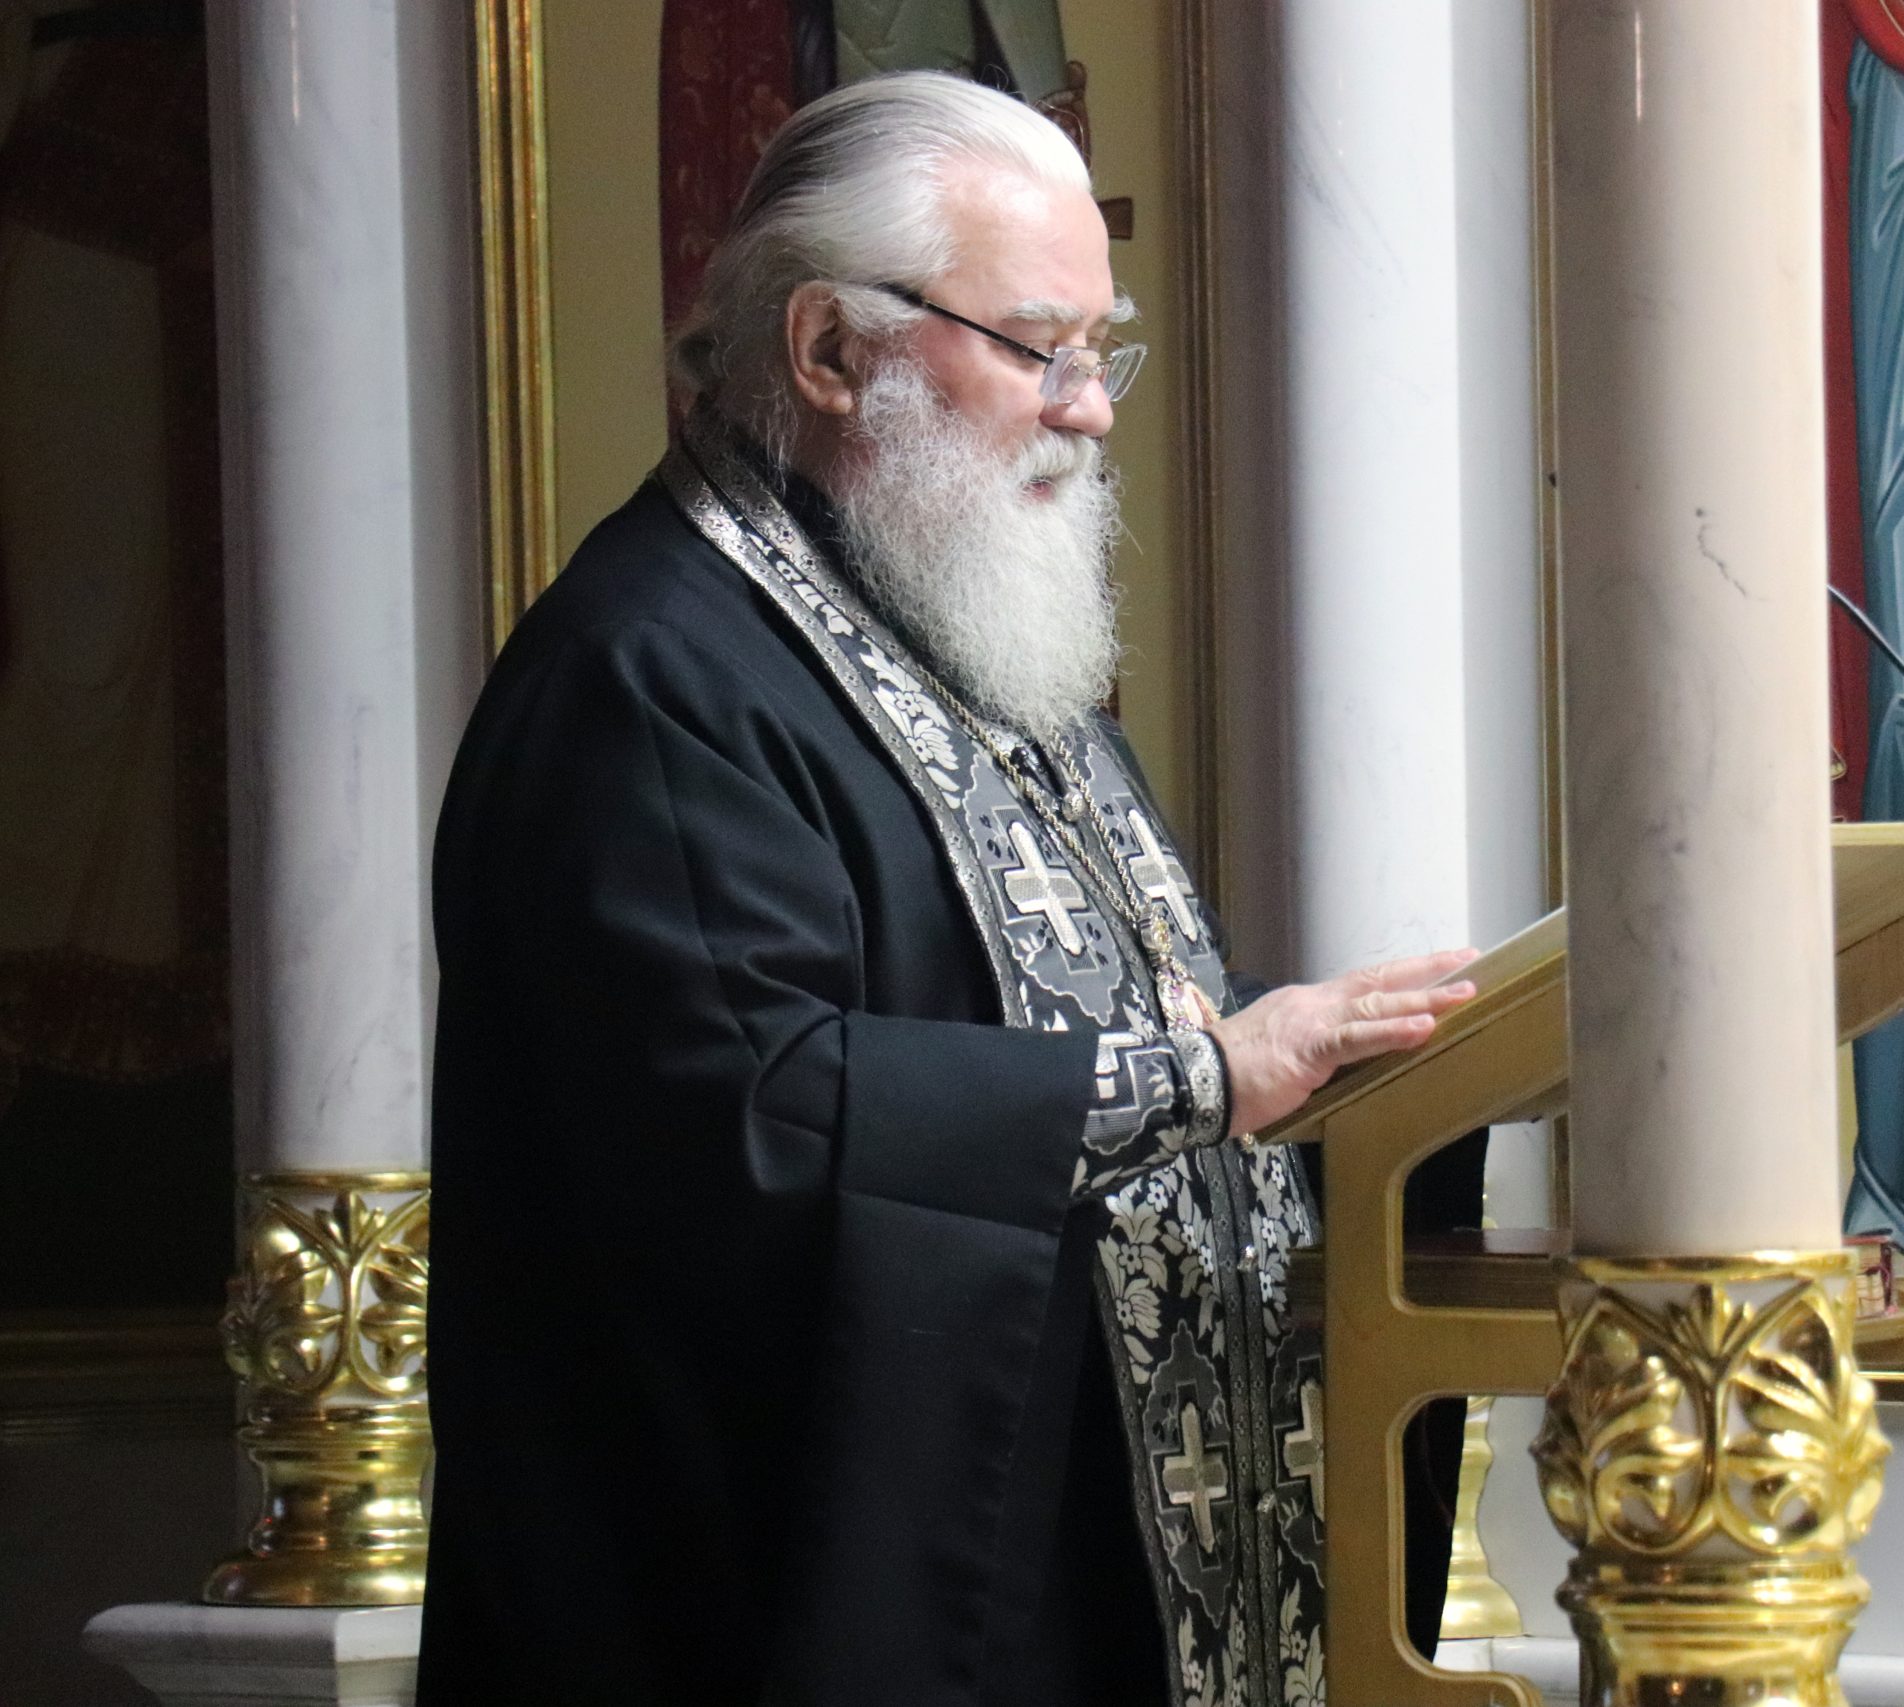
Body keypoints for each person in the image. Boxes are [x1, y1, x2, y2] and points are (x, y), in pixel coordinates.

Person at [418, 72, 1475, 1707]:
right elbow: (745, 1128)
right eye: (1039, 345)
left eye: (1100, 349)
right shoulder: (647, 678)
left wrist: (1357, 1071)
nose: (1090, 407)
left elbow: (1078, 1022)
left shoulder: (956, 637)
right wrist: (1200, 1081)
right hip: (780, 1626)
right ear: (829, 350)